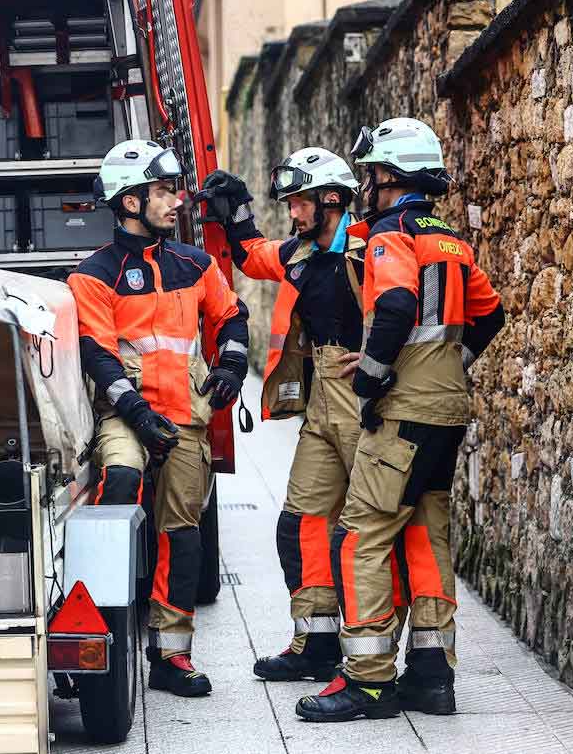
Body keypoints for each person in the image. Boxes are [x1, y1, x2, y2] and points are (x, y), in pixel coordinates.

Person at [296, 117, 505, 722]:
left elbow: (393, 303)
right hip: (447, 410)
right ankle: (433, 676)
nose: (367, 183)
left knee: (360, 535)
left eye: (372, 173)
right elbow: (489, 314)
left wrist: (373, 377)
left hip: (405, 415)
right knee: (426, 533)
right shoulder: (450, 238)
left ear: (390, 174)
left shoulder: (391, 233)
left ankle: (368, 681)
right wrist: (443, 362)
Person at [68, 139, 250, 698]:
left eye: (174, 189)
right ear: (129, 202)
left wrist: (233, 368)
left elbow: (232, 316)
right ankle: (88, 635)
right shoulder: (93, 275)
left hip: (184, 421)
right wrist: (136, 412)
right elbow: (97, 354)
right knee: (118, 484)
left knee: (183, 534)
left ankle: (171, 655)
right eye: (163, 191)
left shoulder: (196, 264)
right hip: (127, 418)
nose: (177, 201)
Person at [198, 147, 382, 682]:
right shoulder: (301, 253)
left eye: (299, 203)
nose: (293, 213)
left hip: (364, 397)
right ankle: (316, 642)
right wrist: (236, 214)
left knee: (366, 530)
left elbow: (412, 308)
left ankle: (396, 657)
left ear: (332, 199)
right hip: (322, 402)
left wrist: (379, 362)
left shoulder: (373, 247)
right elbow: (254, 256)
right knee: (298, 523)